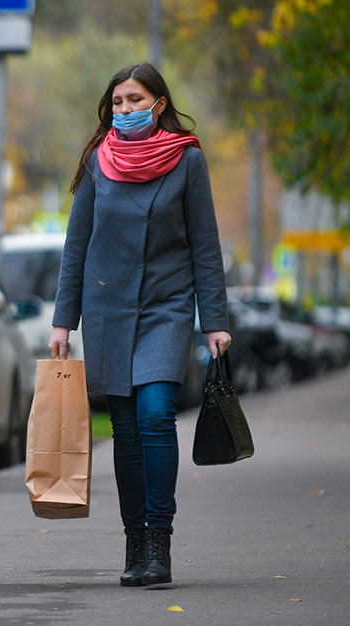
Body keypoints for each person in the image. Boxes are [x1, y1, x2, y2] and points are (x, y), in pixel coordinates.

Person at [49, 63, 230, 588]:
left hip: (166, 307)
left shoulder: (186, 159)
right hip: (107, 311)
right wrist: (64, 320)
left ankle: (159, 540)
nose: (125, 110)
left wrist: (213, 320)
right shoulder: (97, 162)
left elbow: (205, 244)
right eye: (118, 102)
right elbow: (75, 246)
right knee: (125, 430)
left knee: (155, 415)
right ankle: (135, 541)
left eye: (135, 99)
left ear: (159, 103)